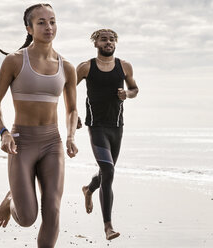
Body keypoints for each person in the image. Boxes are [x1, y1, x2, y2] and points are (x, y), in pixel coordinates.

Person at [0, 4, 78, 248]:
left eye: (52, 21)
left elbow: (71, 109)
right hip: (21, 142)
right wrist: (4, 133)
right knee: (27, 218)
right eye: (41, 22)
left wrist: (70, 137)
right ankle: (11, 200)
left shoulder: (67, 67)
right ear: (29, 27)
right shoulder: (14, 61)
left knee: (53, 209)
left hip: (52, 143)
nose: (48, 27)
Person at [76, 29, 139, 240]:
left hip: (117, 126)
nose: (108, 42)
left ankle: (88, 189)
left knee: (106, 172)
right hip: (96, 126)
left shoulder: (124, 66)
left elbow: (135, 89)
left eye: (112, 39)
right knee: (109, 170)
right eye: (104, 39)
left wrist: (126, 95)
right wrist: (72, 113)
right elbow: (68, 88)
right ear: (96, 43)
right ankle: (108, 226)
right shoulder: (86, 67)